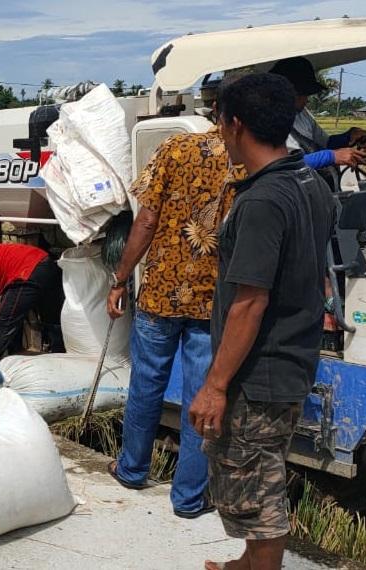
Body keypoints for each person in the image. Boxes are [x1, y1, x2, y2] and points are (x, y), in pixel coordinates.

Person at [190, 73, 334, 570]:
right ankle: (247, 562)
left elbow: (249, 303)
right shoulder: (308, 182)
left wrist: (215, 384)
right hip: (293, 358)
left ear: (234, 125)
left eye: (218, 121)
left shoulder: (261, 201)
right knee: (258, 473)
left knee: (256, 489)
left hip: (261, 370)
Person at [104, 79, 244, 518]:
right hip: (211, 302)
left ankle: (131, 470)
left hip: (160, 293)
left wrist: (120, 278)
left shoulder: (175, 149)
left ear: (211, 108)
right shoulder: (246, 162)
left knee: (145, 384)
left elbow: (144, 221)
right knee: (200, 398)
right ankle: (187, 498)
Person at [270, 57, 366, 183]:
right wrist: (331, 156)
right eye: (304, 93)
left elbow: (325, 143)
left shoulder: (302, 114)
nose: (307, 99)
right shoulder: (270, 120)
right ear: (289, 92)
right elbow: (285, 164)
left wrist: (349, 137)